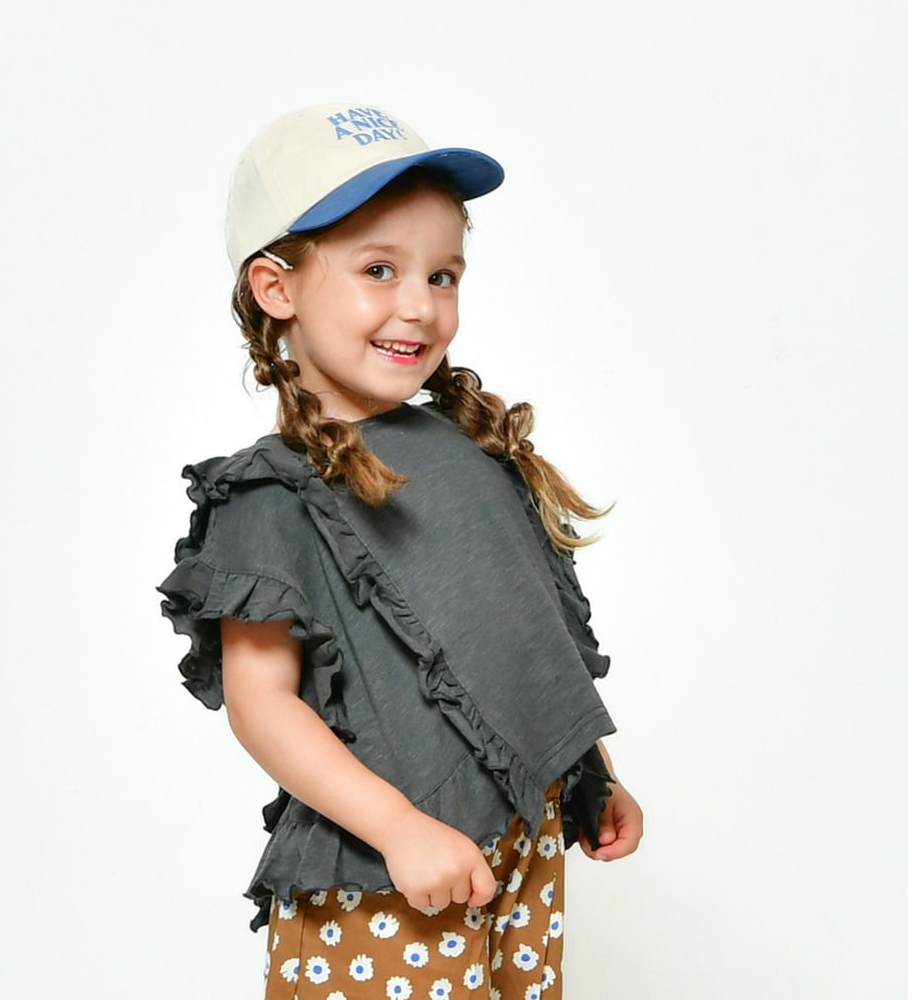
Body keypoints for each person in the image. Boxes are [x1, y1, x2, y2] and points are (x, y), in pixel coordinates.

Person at [156, 102, 643, 999]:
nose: (420, 305)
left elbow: (523, 641)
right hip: (386, 875)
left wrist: (590, 771)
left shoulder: (469, 453)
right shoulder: (270, 493)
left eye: (443, 275)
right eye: (379, 269)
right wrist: (396, 827)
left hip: (522, 846)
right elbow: (262, 704)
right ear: (277, 288)